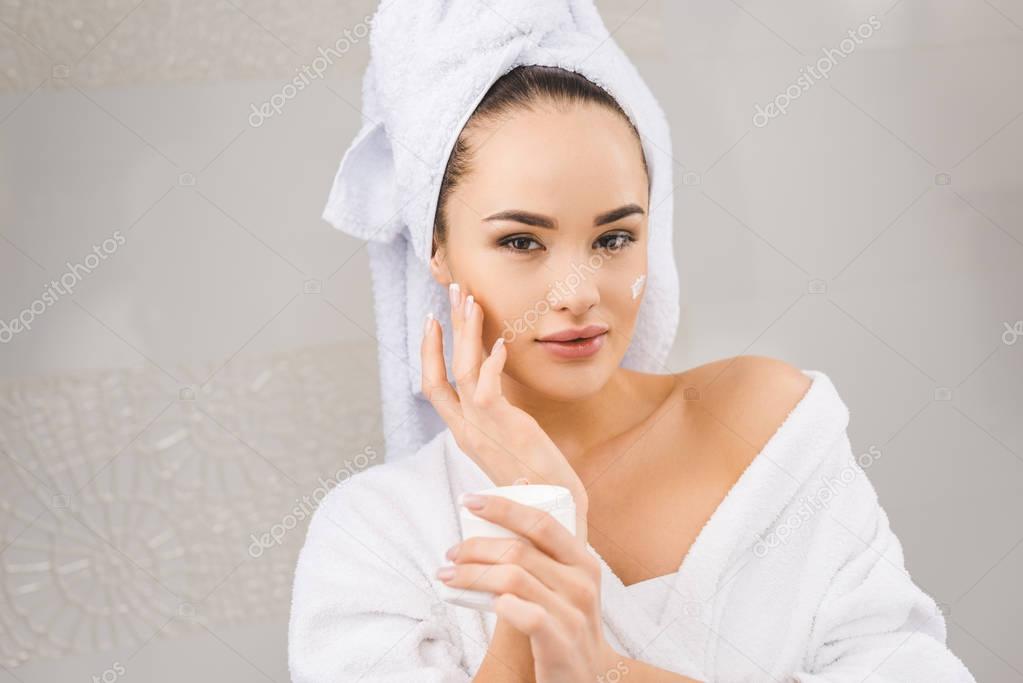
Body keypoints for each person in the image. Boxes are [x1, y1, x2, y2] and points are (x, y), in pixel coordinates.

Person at [290, 4, 975, 682]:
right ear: (437, 250)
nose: (578, 291)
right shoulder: (372, 534)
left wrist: (603, 667)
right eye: (521, 241)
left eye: (613, 238)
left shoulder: (767, 424)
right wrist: (534, 549)